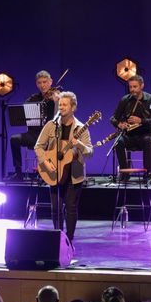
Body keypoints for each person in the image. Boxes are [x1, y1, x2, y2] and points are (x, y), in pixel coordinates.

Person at [34, 91, 93, 244]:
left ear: (73, 107)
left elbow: (90, 152)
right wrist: (46, 162)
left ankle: (69, 239)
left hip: (74, 173)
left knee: (71, 207)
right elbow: (38, 147)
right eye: (60, 104)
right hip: (54, 171)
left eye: (65, 105)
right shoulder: (51, 126)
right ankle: (57, 238)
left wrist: (78, 144)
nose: (61, 107)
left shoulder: (81, 128)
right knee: (56, 209)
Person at [10, 70, 59, 178]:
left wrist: (56, 102)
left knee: (52, 142)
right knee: (14, 139)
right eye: (40, 83)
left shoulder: (56, 98)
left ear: (50, 82)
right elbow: (23, 112)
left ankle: (46, 173)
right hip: (33, 135)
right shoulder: (33, 99)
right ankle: (18, 173)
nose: (42, 85)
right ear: (37, 84)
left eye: (45, 82)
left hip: (49, 136)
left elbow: (59, 117)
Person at [111, 75, 151, 178]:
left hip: (144, 135)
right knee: (118, 141)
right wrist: (120, 124)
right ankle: (124, 172)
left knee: (148, 140)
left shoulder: (150, 100)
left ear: (142, 86)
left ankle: (148, 173)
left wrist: (141, 121)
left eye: (135, 86)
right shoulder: (125, 100)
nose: (132, 90)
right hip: (129, 135)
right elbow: (113, 118)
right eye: (130, 87)